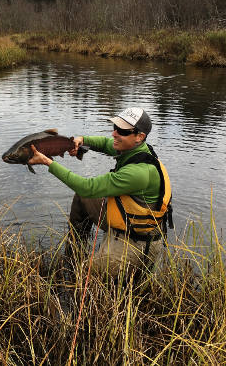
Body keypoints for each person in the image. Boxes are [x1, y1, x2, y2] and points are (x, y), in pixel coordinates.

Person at [28, 107, 173, 279]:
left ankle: (90, 271)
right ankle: (75, 252)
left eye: (122, 131)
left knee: (83, 277)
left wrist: (47, 162)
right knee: (83, 198)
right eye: (115, 128)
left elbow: (86, 186)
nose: (114, 134)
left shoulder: (139, 173)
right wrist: (82, 140)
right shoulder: (134, 149)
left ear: (139, 137)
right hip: (126, 220)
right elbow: (106, 144)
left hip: (135, 242)